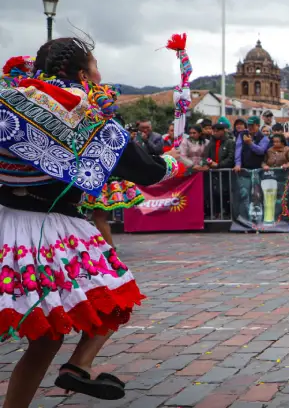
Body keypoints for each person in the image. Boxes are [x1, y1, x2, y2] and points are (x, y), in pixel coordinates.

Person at [0, 40, 185, 406]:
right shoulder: (89, 118)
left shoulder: (9, 101)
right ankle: (79, 364)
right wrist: (174, 161)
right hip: (48, 228)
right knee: (115, 297)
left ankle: (74, 369)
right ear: (84, 74)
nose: (100, 73)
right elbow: (145, 170)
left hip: (5, 220)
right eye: (95, 65)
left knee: (48, 331)